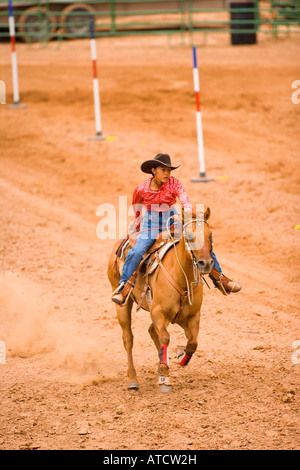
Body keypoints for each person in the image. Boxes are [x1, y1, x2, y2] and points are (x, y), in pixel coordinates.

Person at [112, 153, 241, 306]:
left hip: (173, 218)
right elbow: (137, 207)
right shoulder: (141, 189)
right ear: (153, 170)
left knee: (199, 241)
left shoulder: (175, 184)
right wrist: (138, 224)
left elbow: (185, 200)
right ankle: (124, 288)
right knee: (137, 251)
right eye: (163, 170)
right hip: (151, 222)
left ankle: (219, 278)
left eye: (169, 170)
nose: (167, 174)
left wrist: (186, 214)